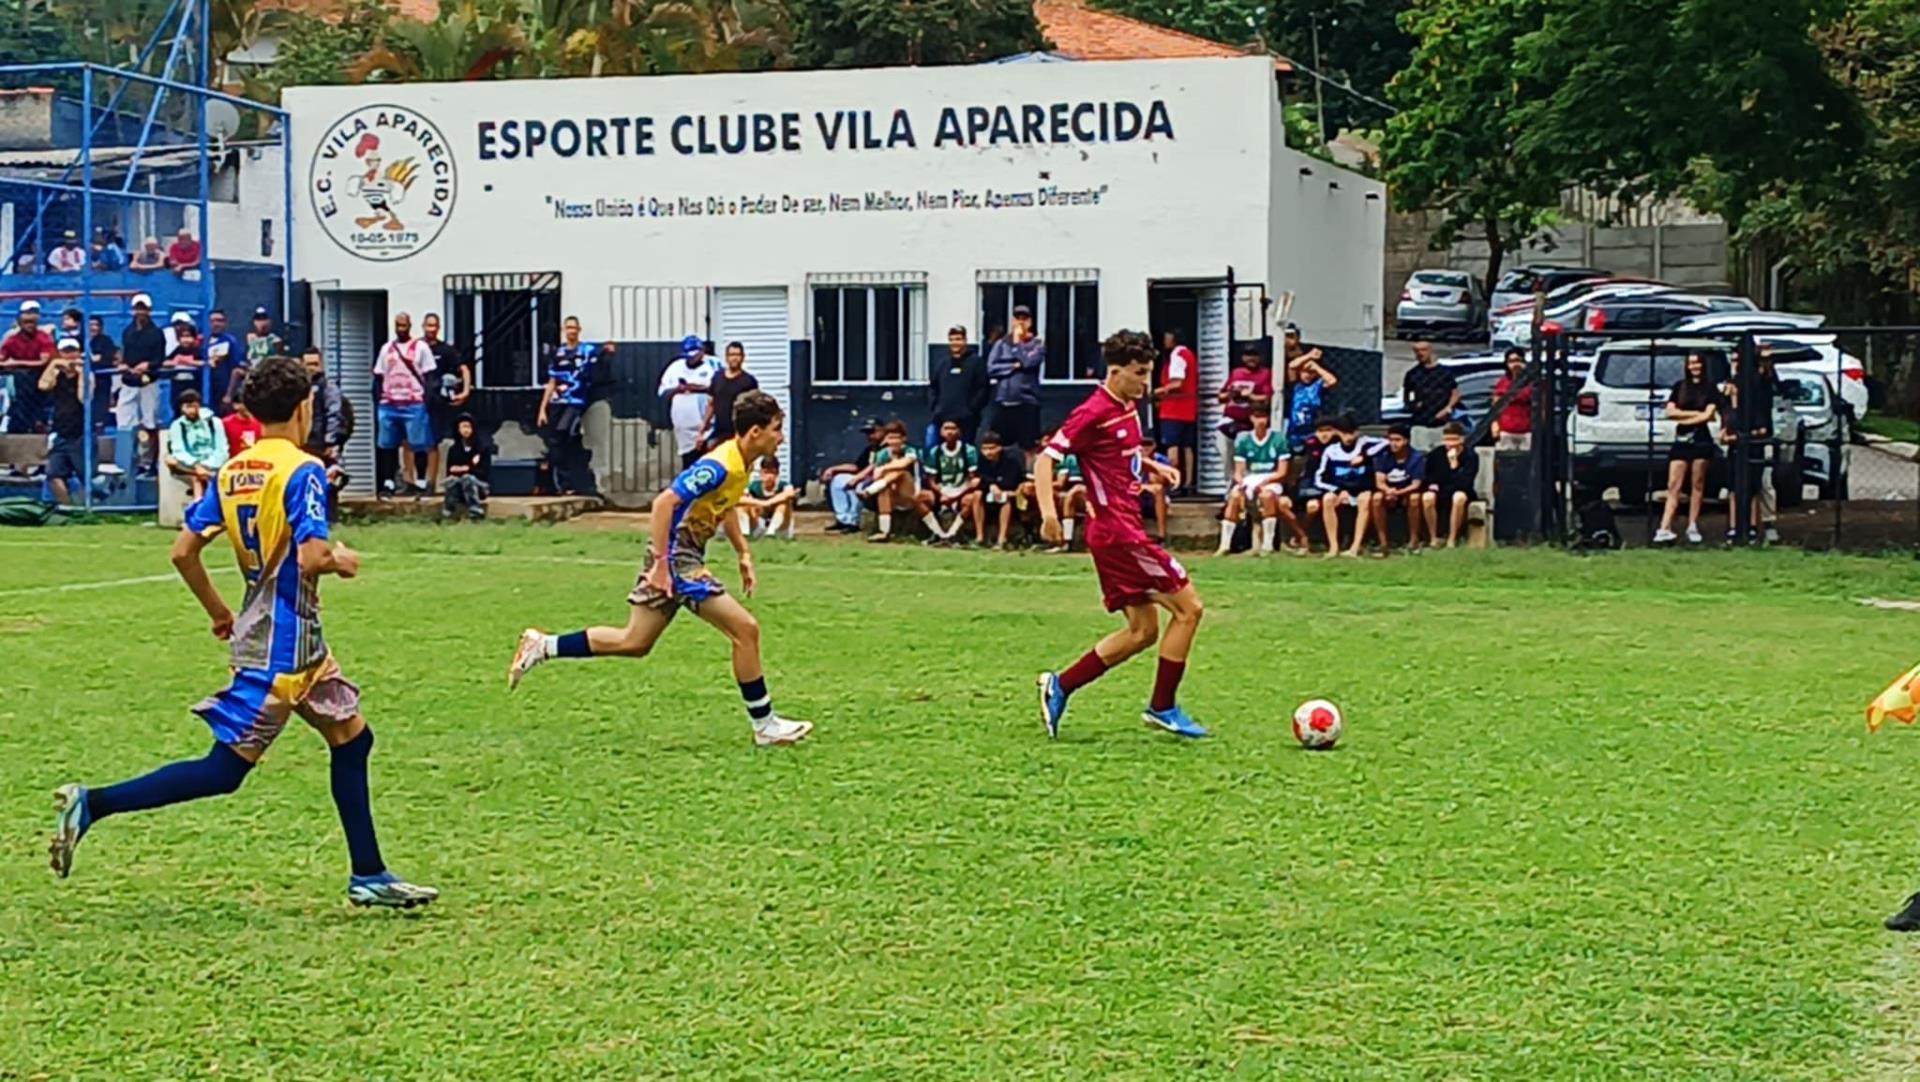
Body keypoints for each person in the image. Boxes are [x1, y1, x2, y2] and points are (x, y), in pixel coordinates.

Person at [48, 355, 438, 908]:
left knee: (354, 738)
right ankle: (93, 803)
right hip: (282, 650)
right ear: (304, 408)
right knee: (224, 771)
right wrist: (340, 559)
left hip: (294, 642)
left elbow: (184, 551)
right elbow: (311, 556)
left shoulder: (234, 470)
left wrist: (218, 613)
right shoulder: (302, 470)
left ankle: (369, 874)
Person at [507, 390, 813, 748]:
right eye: (777, 428)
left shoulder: (741, 465)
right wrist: (663, 565)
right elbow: (664, 502)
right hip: (678, 559)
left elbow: (725, 506)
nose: (782, 436)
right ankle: (765, 725)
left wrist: (743, 553)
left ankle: (543, 646)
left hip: (678, 558)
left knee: (635, 641)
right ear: (756, 431)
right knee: (746, 630)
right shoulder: (719, 464)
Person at [1035, 329, 1207, 740]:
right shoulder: (1093, 411)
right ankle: (1162, 707)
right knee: (1190, 609)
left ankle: (1061, 685)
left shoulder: (1126, 405)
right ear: (1115, 373)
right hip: (1119, 534)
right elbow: (1045, 460)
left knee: (1142, 631)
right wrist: (1048, 514)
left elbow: (1116, 454)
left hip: (1118, 531)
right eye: (1140, 373)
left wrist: (1152, 468)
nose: (1146, 382)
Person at [1656, 352, 1725, 546]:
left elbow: (1709, 415)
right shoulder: (1679, 387)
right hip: (1681, 439)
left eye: (1697, 363)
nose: (1694, 366)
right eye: (1691, 363)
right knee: (1674, 485)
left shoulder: (1710, 389)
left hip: (1701, 440)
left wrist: (1688, 416)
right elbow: (1670, 412)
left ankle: (1692, 525)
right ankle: (1664, 527)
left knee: (1697, 484)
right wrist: (1695, 414)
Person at [538, 316, 610, 496]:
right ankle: (562, 482)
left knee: (564, 432)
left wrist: (608, 351)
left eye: (574, 328)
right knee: (556, 441)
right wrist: (542, 409)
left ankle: (570, 479)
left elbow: (601, 357)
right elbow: (551, 381)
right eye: (568, 328)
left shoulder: (587, 350)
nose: (571, 331)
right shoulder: (558, 353)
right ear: (564, 330)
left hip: (576, 401)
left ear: (579, 329)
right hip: (557, 402)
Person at [1722, 346, 1781, 545]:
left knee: (1757, 485)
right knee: (1734, 486)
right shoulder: (1733, 384)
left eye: (1739, 360)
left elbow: (1763, 419)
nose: (1736, 364)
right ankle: (1734, 528)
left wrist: (1765, 360)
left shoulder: (1760, 384)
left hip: (1756, 441)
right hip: (1736, 441)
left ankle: (1756, 527)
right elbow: (1729, 412)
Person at [372, 312, 435, 497]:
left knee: (419, 443)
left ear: (410, 326)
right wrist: (378, 400)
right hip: (389, 403)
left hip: (414, 403)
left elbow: (430, 376)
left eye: (404, 325)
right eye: (398, 326)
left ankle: (422, 481)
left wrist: (427, 400)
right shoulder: (387, 349)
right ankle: (389, 481)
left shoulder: (420, 347)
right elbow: (378, 376)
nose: (401, 329)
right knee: (387, 445)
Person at [1219, 404, 1290, 557]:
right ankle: (1224, 545)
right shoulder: (1244, 440)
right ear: (1251, 418)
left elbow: (1282, 471)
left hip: (1270, 478)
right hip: (1250, 479)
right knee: (1235, 497)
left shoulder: (1278, 439)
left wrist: (1264, 483)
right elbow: (1238, 472)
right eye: (1257, 417)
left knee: (1267, 496)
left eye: (1263, 417)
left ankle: (1268, 545)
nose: (1260, 421)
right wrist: (1242, 484)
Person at [1313, 413, 1377, 559]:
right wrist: (1338, 491)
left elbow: (1385, 444)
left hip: (1362, 489)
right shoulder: (1331, 451)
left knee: (1365, 499)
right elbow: (1319, 478)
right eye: (1344, 433)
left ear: (1357, 432)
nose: (1348, 437)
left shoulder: (1365, 444)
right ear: (1337, 433)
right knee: (1328, 499)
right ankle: (1333, 547)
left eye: (1351, 433)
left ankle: (1355, 547)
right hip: (1340, 490)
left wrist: (1364, 456)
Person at [38, 336, 90, 505]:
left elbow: (85, 398)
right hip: (61, 431)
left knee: (86, 477)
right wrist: (53, 365)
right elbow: (43, 386)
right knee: (53, 476)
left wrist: (81, 373)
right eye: (65, 352)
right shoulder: (56, 374)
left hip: (81, 433)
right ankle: (68, 508)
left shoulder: (87, 375)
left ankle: (88, 508)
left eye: (72, 351)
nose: (69, 356)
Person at [985, 305, 1044, 450]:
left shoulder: (1037, 344)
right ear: (1012, 321)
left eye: (1025, 319)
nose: (1021, 323)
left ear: (1030, 322)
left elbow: (1028, 362)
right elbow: (991, 368)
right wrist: (1013, 367)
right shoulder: (1001, 344)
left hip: (1027, 403)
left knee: (1030, 446)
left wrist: (1018, 344)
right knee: (1000, 444)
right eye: (1018, 319)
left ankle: (1029, 473)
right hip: (1003, 402)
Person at [119, 294, 166, 472]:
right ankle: (125, 460)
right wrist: (124, 365)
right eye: (138, 308)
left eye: (144, 308)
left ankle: (148, 462)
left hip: (148, 382)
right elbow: (124, 355)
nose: (141, 312)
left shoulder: (156, 333)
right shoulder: (127, 331)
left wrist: (148, 365)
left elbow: (159, 359)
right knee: (124, 421)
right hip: (129, 381)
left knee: (150, 421)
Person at [916, 419, 980, 545]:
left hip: (962, 489)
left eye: (953, 428)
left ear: (959, 432)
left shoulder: (969, 451)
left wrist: (957, 496)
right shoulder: (936, 451)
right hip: (942, 490)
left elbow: (973, 479)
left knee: (971, 499)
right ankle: (938, 534)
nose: (949, 432)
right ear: (941, 432)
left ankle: (953, 534)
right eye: (946, 429)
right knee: (919, 498)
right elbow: (931, 480)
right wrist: (941, 494)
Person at [1152, 329, 1199, 498]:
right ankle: (1188, 483)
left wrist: (1158, 391)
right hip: (1189, 407)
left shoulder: (1177, 355)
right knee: (1188, 446)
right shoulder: (1189, 354)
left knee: (1172, 445)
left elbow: (1177, 382)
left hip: (1174, 408)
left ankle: (1174, 483)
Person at [658, 334, 717, 469]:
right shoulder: (675, 367)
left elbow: (717, 388)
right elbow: (662, 392)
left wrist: (695, 387)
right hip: (683, 426)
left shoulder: (712, 365)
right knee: (689, 463)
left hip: (706, 424)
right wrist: (678, 389)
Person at [863, 421, 927, 542]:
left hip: (911, 494)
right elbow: (876, 475)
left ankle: (872, 489)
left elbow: (905, 463)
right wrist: (883, 475)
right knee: (884, 487)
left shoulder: (911, 451)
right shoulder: (882, 454)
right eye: (891, 438)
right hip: (891, 495)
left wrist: (884, 468)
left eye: (897, 438)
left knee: (901, 472)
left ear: (904, 438)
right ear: (886, 439)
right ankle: (884, 532)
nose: (894, 441)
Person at [820, 418, 884, 534]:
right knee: (838, 480)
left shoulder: (886, 448)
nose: (870, 436)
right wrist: (833, 469)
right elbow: (857, 466)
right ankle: (843, 519)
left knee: (857, 485)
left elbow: (875, 466)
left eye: (873, 432)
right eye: (868, 433)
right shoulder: (870, 449)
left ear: (882, 430)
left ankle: (853, 522)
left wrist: (857, 478)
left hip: (877, 481)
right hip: (863, 477)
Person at [1372, 423, 1428, 554]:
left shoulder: (1416, 457)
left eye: (1397, 440)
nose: (1393, 444)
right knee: (1376, 498)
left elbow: (1416, 484)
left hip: (1407, 492)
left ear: (1406, 441)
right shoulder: (1383, 456)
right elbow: (1379, 481)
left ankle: (1413, 540)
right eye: (1390, 440)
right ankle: (1383, 542)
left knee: (1415, 499)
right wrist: (1388, 490)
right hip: (1388, 492)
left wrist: (1398, 493)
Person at [927, 325, 989, 444]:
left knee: (965, 452)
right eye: (952, 339)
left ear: (965, 341)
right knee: (935, 450)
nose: (955, 343)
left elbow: (983, 389)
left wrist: (971, 409)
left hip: (967, 421)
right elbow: (933, 387)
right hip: (942, 418)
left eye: (959, 339)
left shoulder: (977, 363)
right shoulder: (942, 364)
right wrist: (935, 408)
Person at [164, 389, 229, 501]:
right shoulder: (177, 425)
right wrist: (196, 465)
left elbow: (221, 448)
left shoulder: (215, 422)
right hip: (189, 466)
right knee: (171, 461)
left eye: (194, 406)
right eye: (187, 407)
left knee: (197, 478)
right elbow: (179, 450)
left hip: (213, 464)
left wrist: (206, 465)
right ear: (181, 408)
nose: (191, 410)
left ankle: (198, 505)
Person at [1421, 423, 1479, 549]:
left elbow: (1465, 482)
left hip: (1462, 490)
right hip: (1441, 490)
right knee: (1427, 497)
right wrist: (1433, 484)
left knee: (1458, 497)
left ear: (1462, 439)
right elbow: (1430, 476)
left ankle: (1452, 539)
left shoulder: (1470, 456)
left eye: (1454, 439)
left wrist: (1454, 465)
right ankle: (1433, 538)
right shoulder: (1436, 454)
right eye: (1447, 439)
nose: (1450, 443)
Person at [1216, 344, 1274, 468]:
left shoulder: (1265, 374)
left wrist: (1250, 395)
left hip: (1249, 423)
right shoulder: (1236, 373)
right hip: (1229, 420)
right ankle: (1230, 483)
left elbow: (1267, 398)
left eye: (1254, 355)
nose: (1251, 358)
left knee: (1242, 454)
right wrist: (1232, 393)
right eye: (1248, 355)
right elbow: (1220, 397)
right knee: (1224, 451)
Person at [3, 300, 55, 434]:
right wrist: (10, 364)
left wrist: (15, 363)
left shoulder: (44, 337)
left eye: (33, 322)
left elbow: (42, 362)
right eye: (26, 323)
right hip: (20, 377)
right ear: (20, 323)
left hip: (41, 376)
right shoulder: (12, 339)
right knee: (21, 378)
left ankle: (37, 421)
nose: (30, 326)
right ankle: (19, 423)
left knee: (26, 377)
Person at [1283, 329, 1338, 452]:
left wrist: (1316, 367)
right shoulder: (1296, 385)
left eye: (1310, 373)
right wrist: (1308, 357)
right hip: (1294, 427)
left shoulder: (1317, 385)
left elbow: (1332, 381)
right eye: (1304, 372)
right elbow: (1292, 366)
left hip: (1312, 428)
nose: (1307, 375)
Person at [1402, 341, 1460, 452]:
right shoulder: (1413, 374)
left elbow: (1455, 393)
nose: (1420, 353)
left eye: (1423, 350)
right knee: (1419, 453)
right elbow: (1407, 393)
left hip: (1441, 423)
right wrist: (1411, 405)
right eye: (1417, 351)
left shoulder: (1444, 372)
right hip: (1420, 423)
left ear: (1430, 351)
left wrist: (1448, 408)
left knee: (1440, 454)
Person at [974, 429, 1026, 549]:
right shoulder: (982, 460)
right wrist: (992, 485)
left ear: (999, 448)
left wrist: (1002, 490)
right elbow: (982, 477)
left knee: (1005, 501)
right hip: (990, 493)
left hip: (1010, 493)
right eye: (985, 449)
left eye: (992, 448)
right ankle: (979, 537)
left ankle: (1002, 539)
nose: (988, 452)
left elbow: (1014, 481)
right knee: (976, 495)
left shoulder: (1011, 460)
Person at [703, 341, 759, 448]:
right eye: (732, 355)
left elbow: (754, 409)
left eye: (738, 355)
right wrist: (703, 428)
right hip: (719, 432)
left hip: (740, 433)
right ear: (726, 357)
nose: (734, 358)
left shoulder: (749, 381)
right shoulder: (717, 378)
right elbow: (711, 404)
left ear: (743, 357)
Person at [441, 413, 493, 522]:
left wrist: (466, 469)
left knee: (468, 479)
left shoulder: (482, 448)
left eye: (468, 427)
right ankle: (448, 511)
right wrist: (467, 468)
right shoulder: (454, 449)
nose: (466, 430)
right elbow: (450, 470)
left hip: (479, 485)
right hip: (459, 484)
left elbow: (483, 472)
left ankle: (475, 510)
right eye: (463, 427)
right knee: (451, 481)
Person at [738, 455, 798, 539]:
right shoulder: (754, 486)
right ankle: (745, 532)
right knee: (744, 504)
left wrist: (769, 502)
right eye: (766, 472)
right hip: (758, 524)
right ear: (761, 473)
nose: (769, 476)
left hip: (781, 528)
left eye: (772, 473)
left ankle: (771, 533)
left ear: (777, 474)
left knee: (784, 504)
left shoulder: (784, 485)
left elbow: (790, 494)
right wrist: (760, 503)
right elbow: (739, 499)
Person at [1490, 348, 1533, 452]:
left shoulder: (1532, 382)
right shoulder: (1502, 383)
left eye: (1518, 360)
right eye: (1511, 361)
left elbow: (1541, 406)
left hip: (1527, 430)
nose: (1515, 364)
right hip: (1506, 430)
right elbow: (1495, 406)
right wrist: (1494, 424)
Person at [202, 310, 244, 415]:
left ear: (225, 323)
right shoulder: (204, 342)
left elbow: (237, 369)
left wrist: (229, 394)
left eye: (219, 321)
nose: (216, 324)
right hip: (208, 392)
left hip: (224, 393)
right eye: (213, 321)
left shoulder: (231, 342)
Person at [164, 311, 204, 414]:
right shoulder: (177, 349)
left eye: (188, 336)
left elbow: (204, 363)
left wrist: (185, 361)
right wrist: (176, 361)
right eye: (183, 337)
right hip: (177, 386)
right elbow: (166, 362)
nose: (186, 340)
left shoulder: (198, 350)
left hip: (193, 385)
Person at [1136, 435, 1172, 545]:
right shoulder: (1132, 460)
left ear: (1154, 446)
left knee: (1158, 489)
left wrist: (1150, 465)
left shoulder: (1161, 460)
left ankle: (1161, 536)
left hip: (1156, 498)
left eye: (1148, 445)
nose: (1145, 448)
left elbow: (1163, 481)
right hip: (1138, 497)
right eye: (1142, 444)